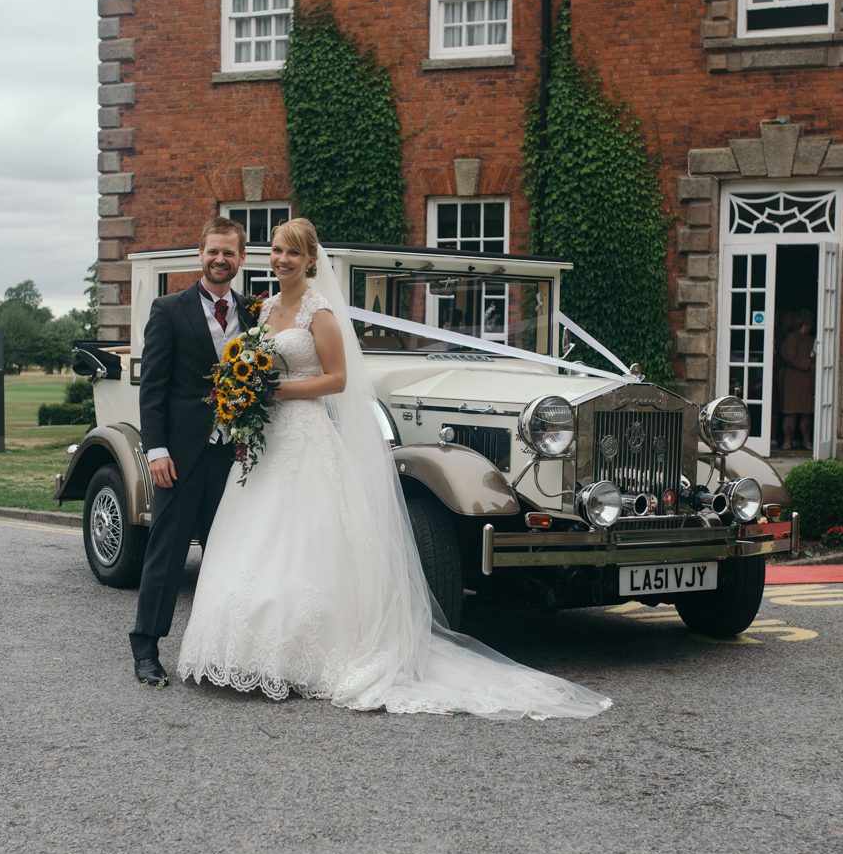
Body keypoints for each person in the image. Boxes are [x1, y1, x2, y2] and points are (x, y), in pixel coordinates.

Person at [177, 219, 611, 720]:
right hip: (268, 441)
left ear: (311, 260)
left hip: (306, 434)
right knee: (255, 538)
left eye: (293, 253)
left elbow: (338, 380)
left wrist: (274, 390)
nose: (283, 260)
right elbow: (249, 364)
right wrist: (245, 392)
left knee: (309, 539)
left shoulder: (320, 313)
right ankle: (245, 652)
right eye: (276, 251)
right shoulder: (266, 309)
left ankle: (312, 656)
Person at [130, 217, 256, 687]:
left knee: (228, 556)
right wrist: (156, 450)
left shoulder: (255, 314)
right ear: (199, 254)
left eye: (230, 252)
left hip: (234, 458)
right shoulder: (168, 309)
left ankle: (223, 652)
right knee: (165, 555)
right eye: (213, 251)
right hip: (179, 457)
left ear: (241, 259)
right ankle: (146, 649)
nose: (220, 259)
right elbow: (153, 388)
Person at [779, 310, 816, 452]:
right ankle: (787, 441)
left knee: (806, 412)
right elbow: (789, 356)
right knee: (791, 412)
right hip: (792, 382)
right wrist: (808, 363)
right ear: (805, 323)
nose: (812, 325)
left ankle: (807, 440)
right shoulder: (793, 337)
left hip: (806, 382)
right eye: (810, 322)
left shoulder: (810, 338)